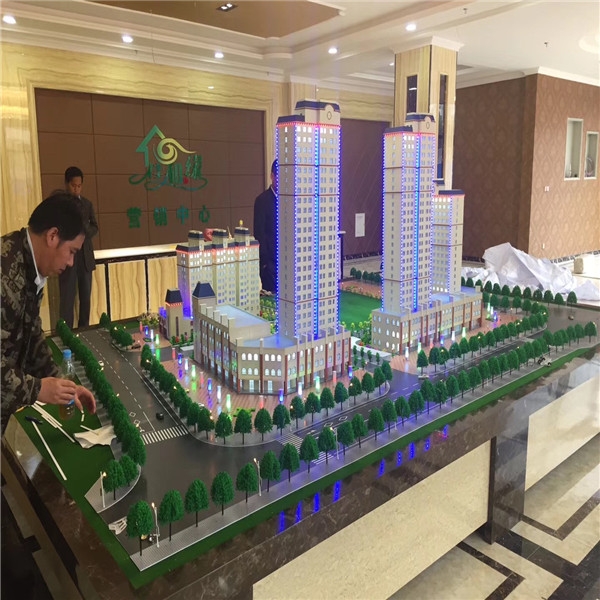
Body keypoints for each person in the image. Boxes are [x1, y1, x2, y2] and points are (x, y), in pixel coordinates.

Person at [1, 193, 97, 435]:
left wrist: (62, 385)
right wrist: (38, 389)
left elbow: (32, 334)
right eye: (72, 251)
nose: (72, 262)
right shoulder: (4, 273)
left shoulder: (28, 266)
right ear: (53, 236)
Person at [59, 166, 98, 328]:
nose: (76, 189)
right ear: (66, 184)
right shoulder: (60, 204)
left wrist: (84, 230)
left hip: (85, 258)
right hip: (67, 258)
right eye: (73, 185)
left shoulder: (87, 204)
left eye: (79, 186)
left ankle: (84, 331)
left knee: (85, 298)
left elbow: (95, 227)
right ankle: (65, 332)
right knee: (67, 298)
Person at [253, 159, 277, 294]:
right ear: (272, 176)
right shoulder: (262, 200)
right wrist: (265, 262)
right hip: (270, 263)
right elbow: (259, 233)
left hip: (288, 261)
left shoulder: (290, 200)